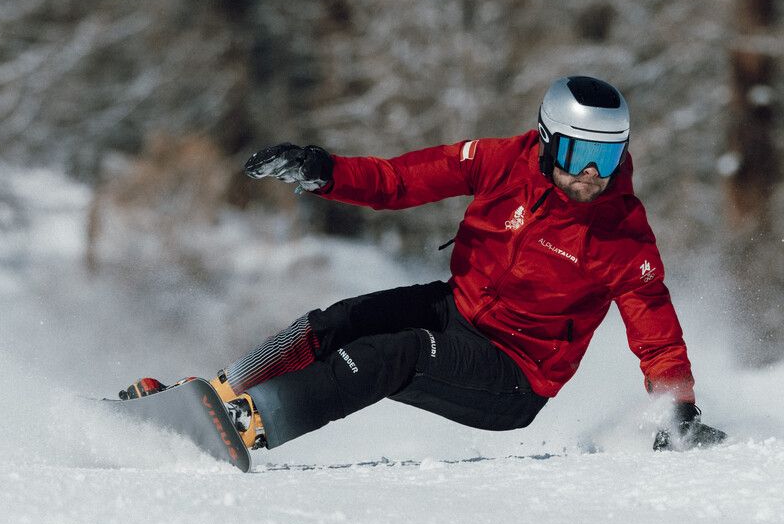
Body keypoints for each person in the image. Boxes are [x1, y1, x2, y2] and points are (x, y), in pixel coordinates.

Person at [123, 75, 725, 452]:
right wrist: (322, 170)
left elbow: (655, 328)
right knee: (337, 322)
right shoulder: (498, 162)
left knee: (395, 353)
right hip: (458, 311)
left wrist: (677, 408)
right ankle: (221, 392)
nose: (591, 175)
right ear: (545, 141)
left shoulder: (622, 232)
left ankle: (249, 424)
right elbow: (399, 180)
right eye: (577, 152)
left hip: (516, 374)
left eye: (607, 156)